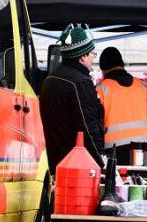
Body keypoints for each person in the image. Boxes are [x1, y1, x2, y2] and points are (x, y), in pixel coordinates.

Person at [39, 26, 105, 171]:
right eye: (92, 54)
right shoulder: (80, 82)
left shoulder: (50, 78)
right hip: (76, 165)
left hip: (53, 161)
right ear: (82, 57)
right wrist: (100, 161)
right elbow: (87, 127)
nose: (93, 58)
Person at [95, 46, 147, 165]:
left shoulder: (101, 89)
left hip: (114, 151)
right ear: (122, 64)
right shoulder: (141, 85)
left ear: (103, 68)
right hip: (143, 149)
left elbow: (96, 124)